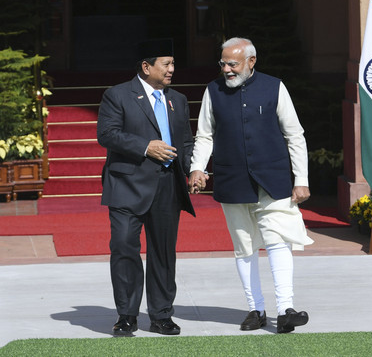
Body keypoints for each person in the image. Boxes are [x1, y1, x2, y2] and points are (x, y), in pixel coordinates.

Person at [189, 37, 314, 334]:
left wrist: (302, 180)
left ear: (251, 61)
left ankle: (286, 309)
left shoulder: (275, 86)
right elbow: (205, 135)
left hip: (273, 179)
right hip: (233, 181)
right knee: (243, 246)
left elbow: (294, 135)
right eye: (223, 64)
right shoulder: (213, 90)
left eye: (233, 63)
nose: (227, 70)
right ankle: (255, 310)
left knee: (278, 240)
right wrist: (197, 168)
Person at [97, 38, 195, 336]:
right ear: (146, 66)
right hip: (127, 184)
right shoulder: (117, 95)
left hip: (167, 185)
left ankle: (161, 315)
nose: (172, 70)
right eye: (166, 64)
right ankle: (127, 315)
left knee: (163, 253)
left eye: (173, 64)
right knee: (124, 246)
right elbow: (107, 134)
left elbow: (186, 142)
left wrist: (194, 170)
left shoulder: (177, 100)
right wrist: (145, 147)